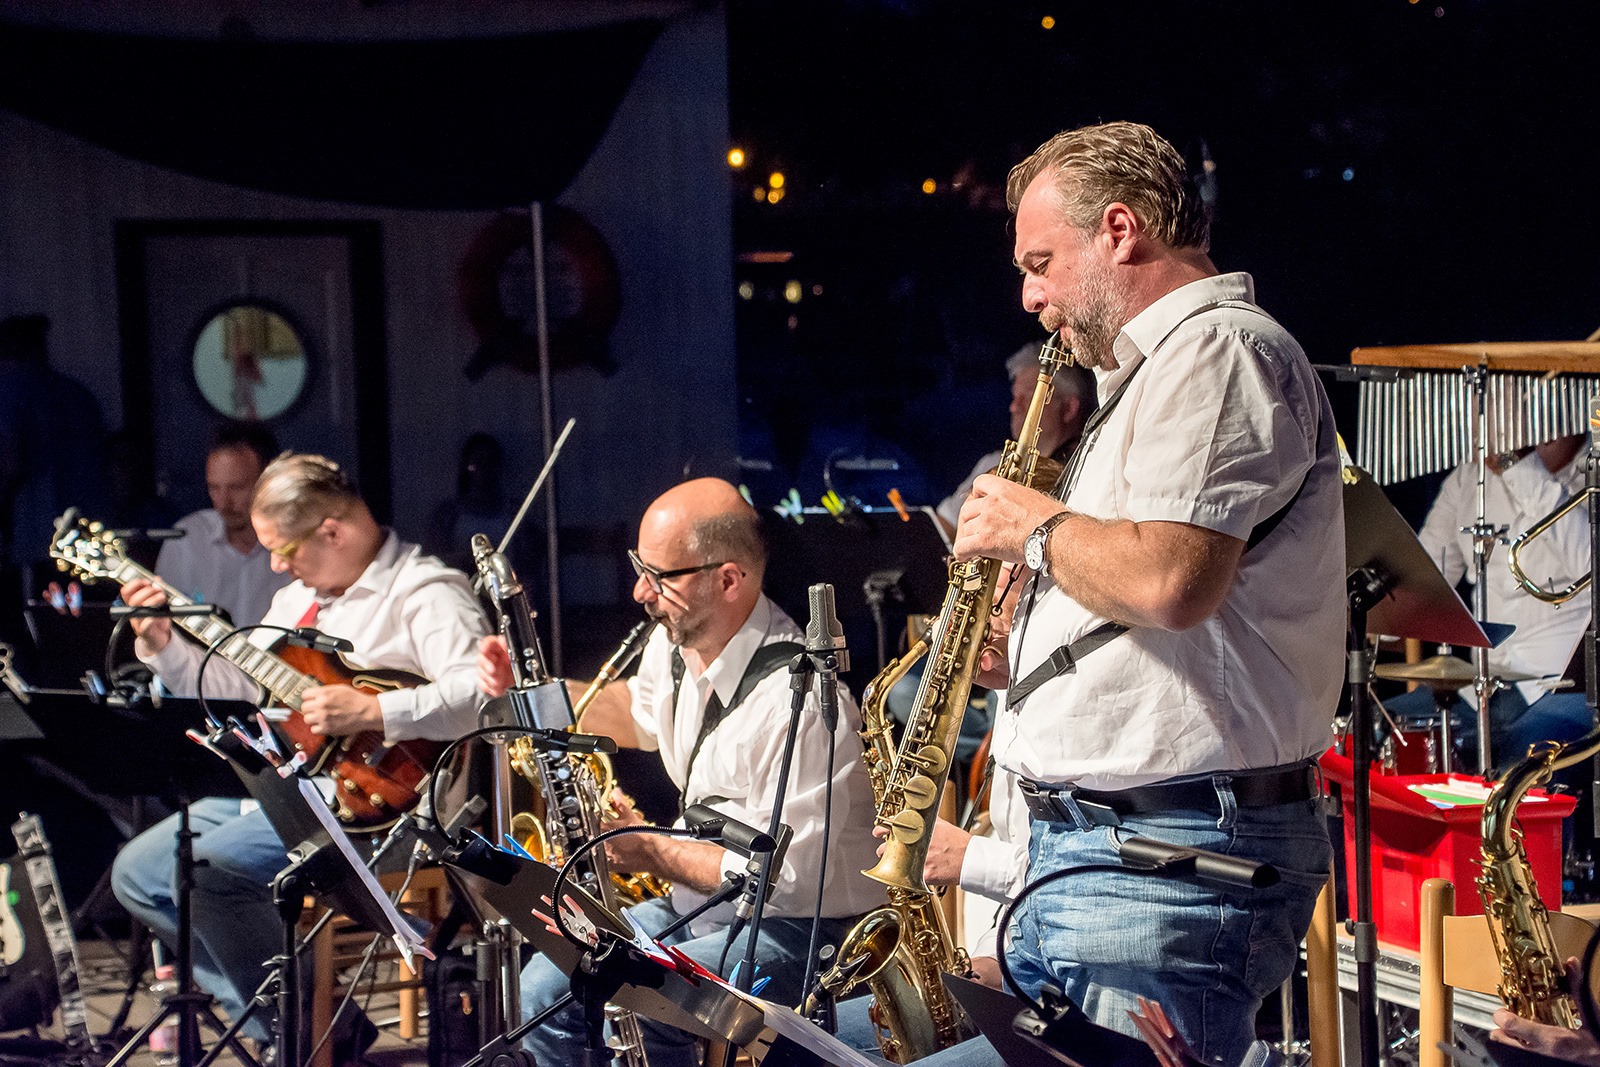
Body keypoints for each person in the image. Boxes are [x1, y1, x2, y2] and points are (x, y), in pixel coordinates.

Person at [949, 121, 1344, 1063]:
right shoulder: (1151, 374)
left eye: (1042, 262)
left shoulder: (1219, 352)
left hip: (1165, 866)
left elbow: (1171, 580)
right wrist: (1025, 645)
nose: (1030, 295)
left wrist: (1032, 526)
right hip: (1097, 862)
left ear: (1119, 229)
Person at [478, 477, 881, 1067]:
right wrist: (532, 693)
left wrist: (652, 852)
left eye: (661, 576)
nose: (641, 590)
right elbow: (635, 715)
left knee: (645, 1003)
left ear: (728, 579)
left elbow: (790, 881)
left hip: (809, 933)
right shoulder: (674, 644)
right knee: (538, 990)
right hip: (699, 909)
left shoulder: (799, 704)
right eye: (639, 565)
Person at [110, 452, 489, 1054]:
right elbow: (237, 686)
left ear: (332, 531)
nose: (279, 568)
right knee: (140, 872)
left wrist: (373, 711)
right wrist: (164, 645)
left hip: (391, 809)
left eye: (285, 550)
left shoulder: (426, 594)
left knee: (207, 874)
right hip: (297, 788)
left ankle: (301, 1037)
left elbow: (481, 698)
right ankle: (312, 1023)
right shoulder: (298, 603)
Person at [1385, 434, 1593, 778]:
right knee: (1382, 728)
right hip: (1484, 684)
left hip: (1560, 685)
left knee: (1528, 758)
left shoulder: (1593, 472)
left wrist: (1522, 469)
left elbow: (1592, 565)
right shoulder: (1470, 478)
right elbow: (1420, 585)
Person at [934, 343, 1097, 538]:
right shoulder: (993, 463)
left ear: (1069, 408)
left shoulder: (1091, 470)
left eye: (1027, 397)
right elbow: (943, 525)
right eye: (1014, 396)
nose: (1013, 407)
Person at [154, 421, 290, 626]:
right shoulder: (187, 538)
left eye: (237, 488)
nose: (223, 502)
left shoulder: (296, 540)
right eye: (214, 488)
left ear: (269, 481)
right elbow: (168, 624)